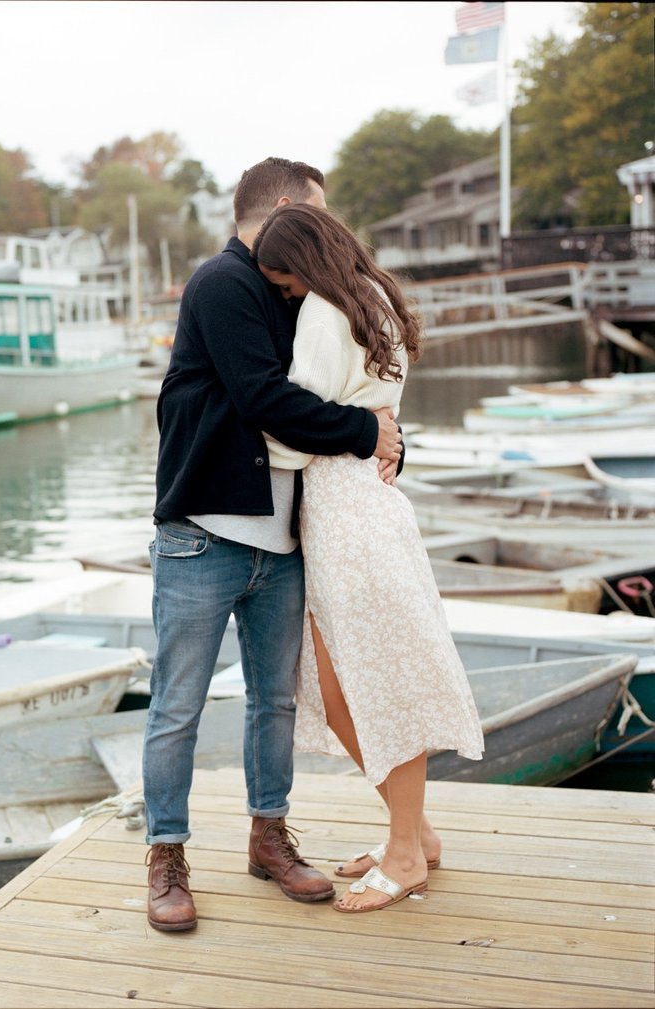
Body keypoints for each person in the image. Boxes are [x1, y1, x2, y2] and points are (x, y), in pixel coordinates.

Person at [142, 157, 404, 932]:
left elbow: (342, 389)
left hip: (281, 540)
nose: (324, 229)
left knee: (276, 703)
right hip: (204, 534)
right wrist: (369, 431)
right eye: (317, 213)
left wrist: (385, 429)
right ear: (288, 208)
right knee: (178, 706)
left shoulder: (299, 290)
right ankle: (165, 856)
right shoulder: (222, 284)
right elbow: (265, 397)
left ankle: (267, 838)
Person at [250, 202, 485, 913]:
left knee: (366, 683)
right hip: (366, 504)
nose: (284, 295)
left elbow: (294, 429)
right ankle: (414, 832)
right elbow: (369, 408)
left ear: (304, 267)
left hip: (343, 508)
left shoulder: (324, 312)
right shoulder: (374, 296)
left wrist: (276, 434)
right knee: (343, 681)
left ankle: (407, 853)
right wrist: (378, 431)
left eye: (283, 282)